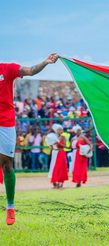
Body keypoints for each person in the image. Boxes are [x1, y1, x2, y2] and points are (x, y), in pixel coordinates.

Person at [0, 53, 58, 225]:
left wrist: (45, 62)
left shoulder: (7, 68)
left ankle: (10, 207)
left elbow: (31, 71)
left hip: (6, 122)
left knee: (7, 164)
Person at [48, 124, 69, 189]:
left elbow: (64, 145)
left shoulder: (63, 137)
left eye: (61, 129)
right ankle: (54, 182)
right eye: (59, 130)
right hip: (54, 153)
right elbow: (51, 146)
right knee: (54, 167)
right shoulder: (52, 137)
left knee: (61, 167)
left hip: (61, 153)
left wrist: (58, 143)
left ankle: (61, 182)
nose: (60, 131)